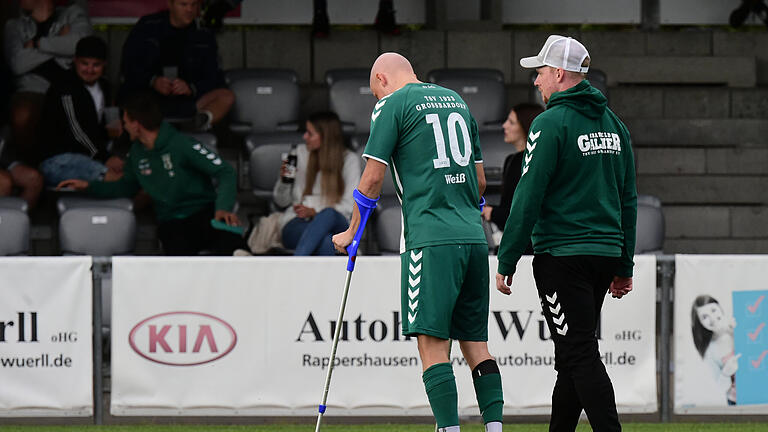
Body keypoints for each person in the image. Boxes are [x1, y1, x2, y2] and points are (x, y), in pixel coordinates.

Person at [332, 53, 504, 432]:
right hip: (474, 238)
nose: (377, 100)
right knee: (476, 346)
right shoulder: (457, 102)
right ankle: (495, 429)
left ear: (381, 78)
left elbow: (372, 179)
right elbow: (479, 185)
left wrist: (352, 231)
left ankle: (448, 429)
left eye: (376, 92)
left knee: (431, 343)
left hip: (429, 238)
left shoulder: (392, 105)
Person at [495, 35, 637, 432]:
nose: (536, 82)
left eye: (539, 73)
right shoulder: (616, 126)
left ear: (558, 73)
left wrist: (507, 258)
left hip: (563, 257)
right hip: (604, 254)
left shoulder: (549, 123)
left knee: (578, 354)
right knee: (571, 357)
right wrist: (624, 263)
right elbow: (627, 198)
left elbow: (528, 194)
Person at [57, 91, 245, 256]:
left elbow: (225, 171)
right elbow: (126, 186)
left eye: (125, 122)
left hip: (204, 213)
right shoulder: (136, 154)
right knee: (179, 255)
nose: (123, 127)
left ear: (136, 125)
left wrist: (222, 208)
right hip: (172, 223)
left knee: (234, 245)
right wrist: (89, 186)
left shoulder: (181, 144)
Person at [119, 0, 234, 130]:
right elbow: (128, 66)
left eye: (194, 5)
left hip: (188, 103)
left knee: (226, 96)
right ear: (170, 4)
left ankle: (198, 123)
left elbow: (215, 76)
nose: (189, 10)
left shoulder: (204, 34)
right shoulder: (148, 26)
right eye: (184, 4)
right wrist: (153, 81)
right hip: (149, 100)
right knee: (132, 99)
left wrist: (191, 88)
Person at [4, 0, 92, 164]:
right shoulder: (15, 25)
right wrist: (59, 43)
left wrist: (38, 44)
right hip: (34, 89)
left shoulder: (72, 14)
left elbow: (81, 44)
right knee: (23, 112)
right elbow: (17, 63)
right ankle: (29, 167)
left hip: (68, 87)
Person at [38, 35, 124, 188]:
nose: (90, 70)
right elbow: (76, 131)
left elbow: (109, 123)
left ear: (104, 65)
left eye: (96, 65)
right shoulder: (64, 87)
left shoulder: (105, 87)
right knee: (118, 180)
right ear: (75, 61)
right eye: (85, 64)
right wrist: (104, 158)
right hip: (59, 160)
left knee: (130, 174)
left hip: (92, 156)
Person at [272, 112, 361, 256]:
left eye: (310, 133)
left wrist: (315, 212)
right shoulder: (297, 154)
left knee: (329, 214)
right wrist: (284, 182)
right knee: (326, 242)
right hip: (298, 222)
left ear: (326, 137)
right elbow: (281, 202)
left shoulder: (349, 160)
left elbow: (349, 206)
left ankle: (295, 266)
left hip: (338, 223)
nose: (304, 137)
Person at [481, 103, 543, 237]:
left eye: (512, 122)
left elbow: (523, 212)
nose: (504, 126)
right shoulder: (511, 160)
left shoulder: (528, 162)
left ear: (526, 127)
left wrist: (491, 213)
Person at [691, 295, 739, 405]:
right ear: (700, 323)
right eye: (704, 317)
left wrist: (736, 332)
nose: (712, 318)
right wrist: (726, 373)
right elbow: (720, 387)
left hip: (760, 391)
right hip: (736, 400)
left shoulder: (738, 324)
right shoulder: (710, 351)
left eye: (713, 310)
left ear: (720, 308)